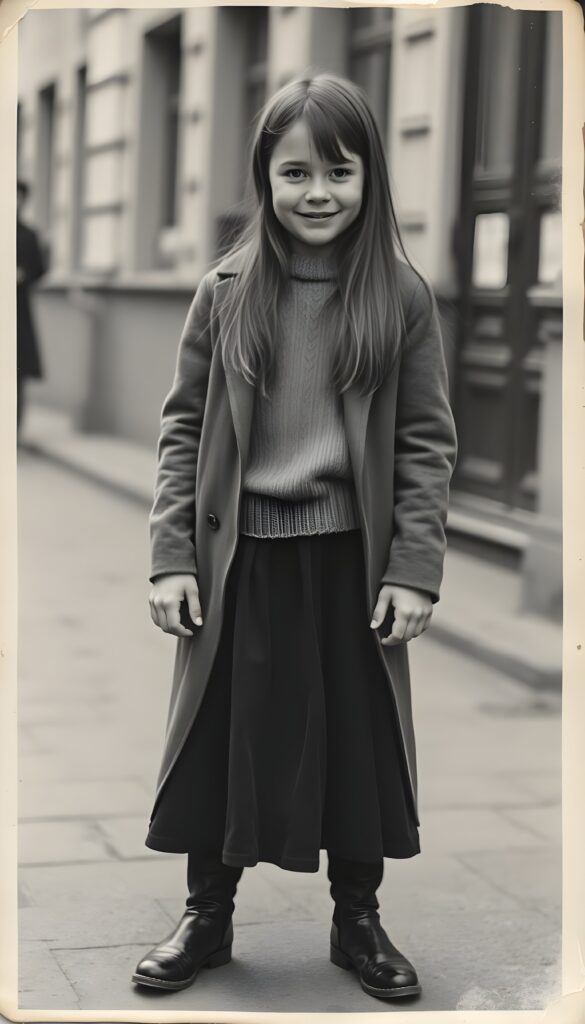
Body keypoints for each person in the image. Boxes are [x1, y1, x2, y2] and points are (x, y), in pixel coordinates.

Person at [133, 72, 458, 1001]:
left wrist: (414, 571)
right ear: (264, 181)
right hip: (237, 559)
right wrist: (169, 559)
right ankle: (207, 914)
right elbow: (182, 430)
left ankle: (357, 922)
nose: (317, 192)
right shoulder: (224, 291)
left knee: (357, 742)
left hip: (350, 562)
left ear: (370, 180)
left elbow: (427, 443)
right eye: (294, 173)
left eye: (339, 172)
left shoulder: (398, 296)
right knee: (219, 739)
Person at [16, 179, 47, 440]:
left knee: (17, 371)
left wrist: (23, 276)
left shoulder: (28, 235)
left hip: (18, 312)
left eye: (19, 197)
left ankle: (13, 429)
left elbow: (39, 268)